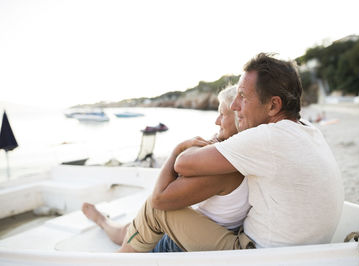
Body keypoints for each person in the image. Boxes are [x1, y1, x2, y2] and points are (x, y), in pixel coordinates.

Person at [116, 52, 344, 252]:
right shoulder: (308, 132)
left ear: (273, 106)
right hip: (306, 253)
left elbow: (183, 165)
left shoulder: (268, 137)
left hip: (257, 256)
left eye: (243, 97)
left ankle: (119, 261)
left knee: (156, 210)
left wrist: (180, 147)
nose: (235, 105)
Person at [82, 86, 251, 252]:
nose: (216, 121)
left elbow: (161, 196)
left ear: (239, 116)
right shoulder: (250, 152)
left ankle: (110, 241)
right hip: (202, 227)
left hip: (190, 240)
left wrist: (178, 149)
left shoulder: (222, 166)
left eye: (222, 114)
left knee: (146, 216)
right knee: (128, 229)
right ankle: (102, 220)